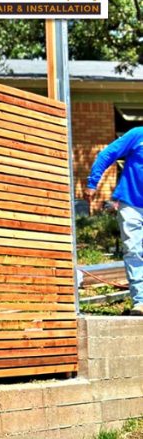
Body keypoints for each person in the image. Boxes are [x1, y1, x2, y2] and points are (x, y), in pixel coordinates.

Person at [86, 126, 143, 316]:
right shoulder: (138, 135)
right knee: (134, 250)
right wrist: (92, 183)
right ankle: (140, 301)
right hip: (131, 203)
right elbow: (107, 154)